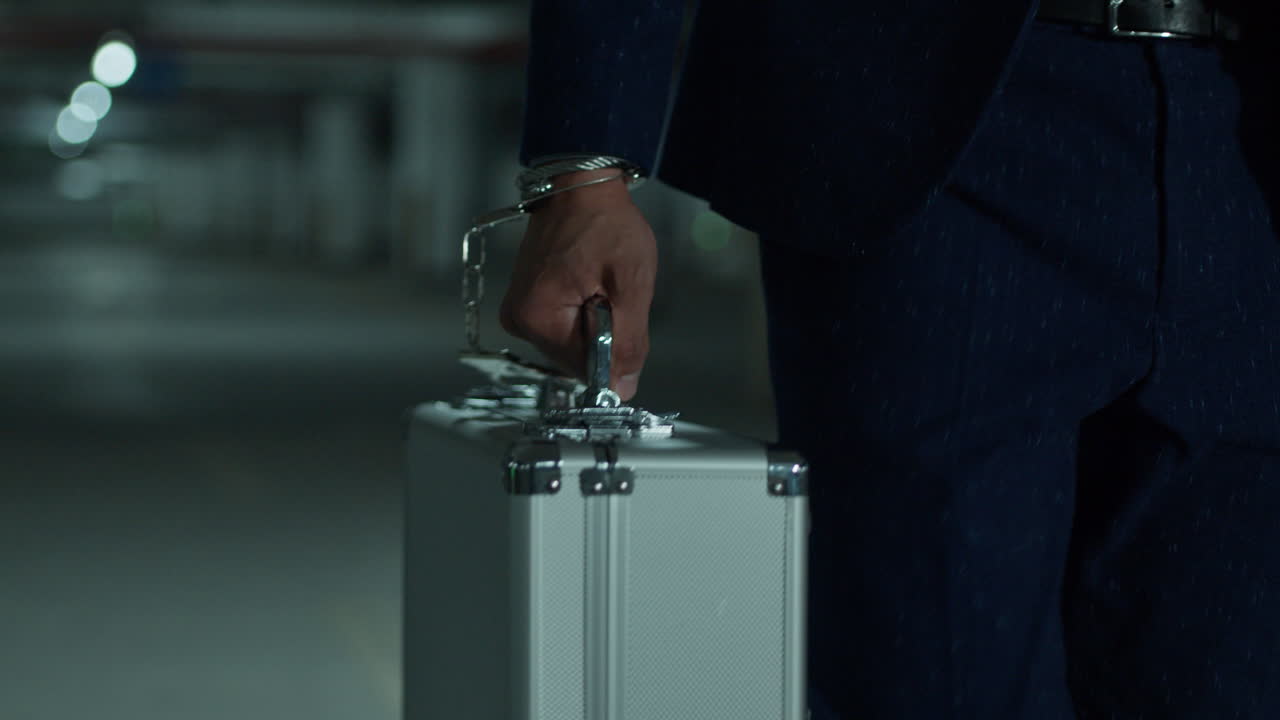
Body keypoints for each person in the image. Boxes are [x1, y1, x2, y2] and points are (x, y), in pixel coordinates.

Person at [499, 0, 1280, 717]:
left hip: (1241, 141)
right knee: (934, 680)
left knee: (1225, 680)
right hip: (942, 130)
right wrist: (585, 173)